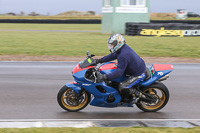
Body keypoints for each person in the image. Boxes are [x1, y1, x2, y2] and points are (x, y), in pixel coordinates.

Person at [95, 33, 147, 101]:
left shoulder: (123, 55)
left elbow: (119, 73)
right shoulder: (121, 49)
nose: (111, 46)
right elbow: (112, 55)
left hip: (138, 74)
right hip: (135, 67)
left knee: (122, 87)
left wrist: (105, 77)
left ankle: (137, 95)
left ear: (118, 43)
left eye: (112, 44)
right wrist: (99, 60)